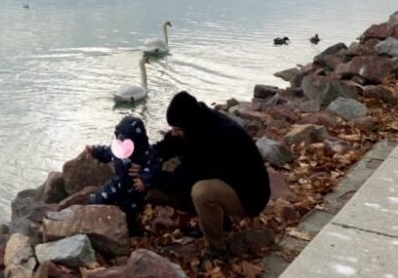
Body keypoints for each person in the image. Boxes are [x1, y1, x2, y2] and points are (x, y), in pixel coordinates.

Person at [132, 91, 270, 261]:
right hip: (224, 183)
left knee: (201, 193)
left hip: (249, 195)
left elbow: (181, 182)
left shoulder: (219, 136)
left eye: (177, 130)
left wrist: (147, 177)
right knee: (174, 187)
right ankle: (219, 222)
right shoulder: (194, 125)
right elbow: (165, 147)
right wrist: (141, 161)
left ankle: (217, 251)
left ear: (188, 126)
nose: (173, 133)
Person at [85, 115, 162, 232]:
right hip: (119, 181)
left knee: (130, 209)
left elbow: (155, 165)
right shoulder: (118, 148)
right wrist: (95, 151)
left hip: (134, 187)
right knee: (103, 194)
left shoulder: (146, 152)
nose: (121, 141)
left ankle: (131, 230)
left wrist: (144, 179)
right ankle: (92, 205)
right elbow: (106, 152)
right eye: (119, 138)